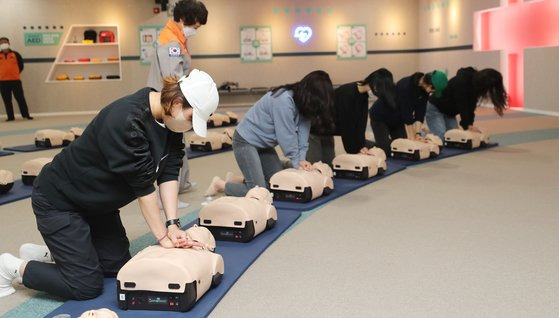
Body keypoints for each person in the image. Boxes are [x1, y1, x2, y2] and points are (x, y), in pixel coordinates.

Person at [0, 69, 219, 299]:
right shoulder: (127, 120)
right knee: (85, 286)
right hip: (60, 201)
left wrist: (173, 224)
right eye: (192, 119)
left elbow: (170, 170)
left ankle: (53, 254)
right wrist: (163, 237)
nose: (192, 127)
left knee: (117, 267)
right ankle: (10, 266)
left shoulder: (169, 121)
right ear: (176, 102)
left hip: (98, 205)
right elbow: (145, 190)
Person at [205, 70, 336, 197]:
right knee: (260, 191)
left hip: (265, 146)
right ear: (310, 94)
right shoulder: (284, 100)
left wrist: (302, 158)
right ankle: (220, 184)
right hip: (245, 141)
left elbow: (303, 132)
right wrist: (297, 162)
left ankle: (236, 179)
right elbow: (286, 136)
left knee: (276, 184)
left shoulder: (305, 105)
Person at [147, 0, 209, 196]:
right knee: (169, 148)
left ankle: (181, 185)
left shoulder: (177, 37)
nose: (195, 30)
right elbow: (172, 79)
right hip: (169, 103)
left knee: (177, 143)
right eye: (195, 26)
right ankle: (168, 193)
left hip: (173, 101)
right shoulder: (171, 42)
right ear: (183, 19)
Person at [306, 69, 392, 165]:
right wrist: (354, 151)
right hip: (314, 129)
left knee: (328, 165)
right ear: (375, 85)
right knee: (314, 166)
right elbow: (347, 127)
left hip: (328, 130)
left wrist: (361, 146)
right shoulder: (347, 93)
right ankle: (289, 165)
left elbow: (360, 125)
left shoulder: (363, 96)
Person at [425, 67, 507, 139]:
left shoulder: (475, 86)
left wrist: (470, 125)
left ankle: (432, 129)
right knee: (441, 136)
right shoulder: (462, 82)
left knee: (453, 137)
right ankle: (422, 134)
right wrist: (467, 125)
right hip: (434, 108)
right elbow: (463, 105)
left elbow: (471, 106)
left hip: (449, 113)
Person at [396, 70, 447, 139]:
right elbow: (406, 114)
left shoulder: (424, 89)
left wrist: (417, 134)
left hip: (405, 116)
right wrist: (413, 138)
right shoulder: (406, 87)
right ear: (430, 85)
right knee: (401, 143)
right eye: (433, 90)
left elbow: (420, 113)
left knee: (414, 139)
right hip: (391, 115)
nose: (432, 92)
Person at [366, 68, 402, 154]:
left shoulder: (399, 91)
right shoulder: (380, 93)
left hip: (396, 119)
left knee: (401, 147)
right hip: (379, 120)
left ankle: (386, 143)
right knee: (385, 150)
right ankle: (363, 143)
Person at [0, 37, 32, 121]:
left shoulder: (15, 54)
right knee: (7, 100)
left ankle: (26, 115)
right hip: (2, 82)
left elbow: (21, 66)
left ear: (9, 43)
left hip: (15, 80)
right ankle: (10, 117)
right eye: (1, 43)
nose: (3, 44)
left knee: (20, 98)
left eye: (5, 42)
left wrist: (15, 73)